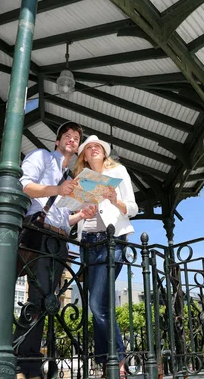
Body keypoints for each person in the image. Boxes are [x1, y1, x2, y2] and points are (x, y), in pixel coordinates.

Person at [15, 121, 95, 379]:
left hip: (59, 239)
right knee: (37, 300)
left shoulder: (73, 179)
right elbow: (24, 186)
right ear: (58, 141)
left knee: (49, 301)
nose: (72, 140)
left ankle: (30, 360)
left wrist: (80, 214)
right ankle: (23, 360)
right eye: (67, 136)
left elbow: (63, 218)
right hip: (38, 234)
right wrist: (57, 189)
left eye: (76, 138)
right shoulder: (41, 156)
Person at [73, 135, 138, 377]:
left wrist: (115, 200)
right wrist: (81, 209)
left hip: (111, 241)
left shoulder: (119, 171)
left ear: (104, 151)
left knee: (97, 304)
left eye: (96, 146)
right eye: (88, 148)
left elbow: (132, 207)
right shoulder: (80, 179)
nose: (92, 150)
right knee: (99, 305)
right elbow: (72, 208)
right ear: (84, 157)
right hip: (87, 244)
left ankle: (117, 361)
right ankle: (108, 361)